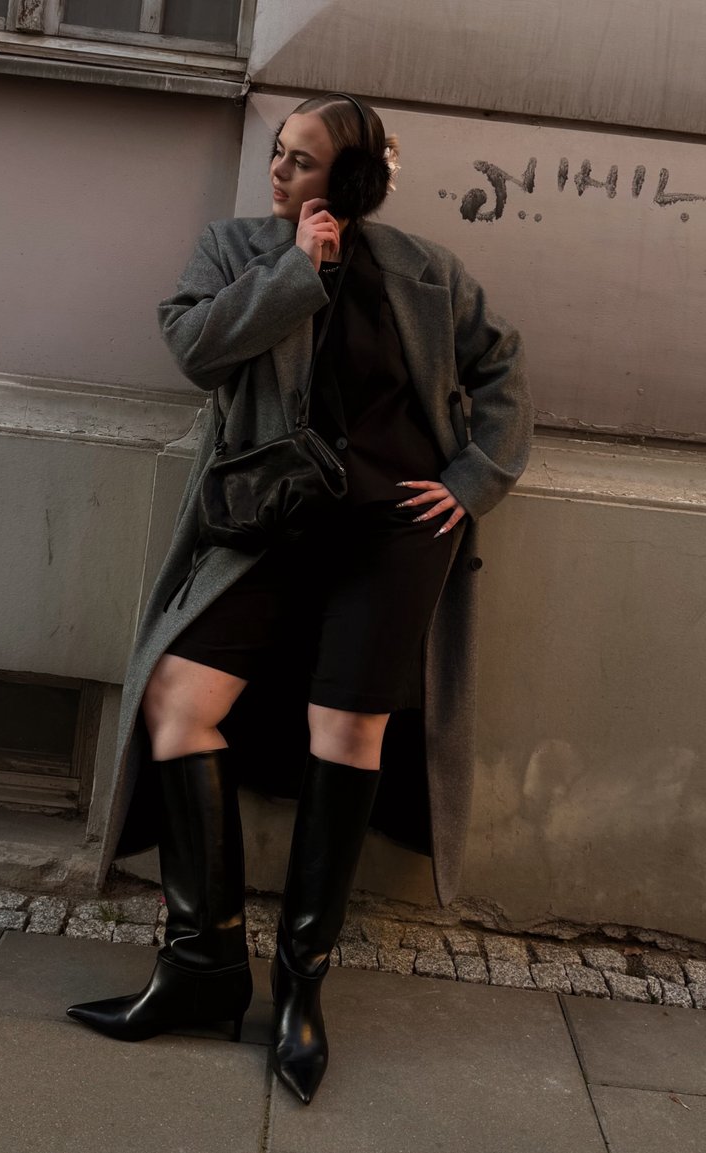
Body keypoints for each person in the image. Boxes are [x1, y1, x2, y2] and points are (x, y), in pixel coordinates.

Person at [67, 92, 532, 1105]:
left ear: (352, 180)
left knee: (345, 729)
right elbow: (194, 350)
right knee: (178, 701)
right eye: (276, 153)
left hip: (392, 536)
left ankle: (299, 988)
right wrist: (295, 274)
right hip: (268, 526)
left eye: (301, 161)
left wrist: (467, 483)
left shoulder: (424, 273)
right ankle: (201, 965)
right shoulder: (236, 249)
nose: (277, 172)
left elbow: (500, 369)